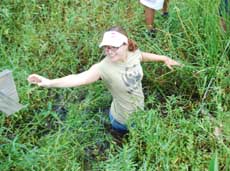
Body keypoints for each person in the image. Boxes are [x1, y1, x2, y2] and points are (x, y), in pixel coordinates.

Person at [27, 26, 180, 134]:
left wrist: (164, 58)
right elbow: (78, 79)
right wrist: (49, 82)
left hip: (139, 110)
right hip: (122, 121)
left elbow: (143, 56)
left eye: (114, 47)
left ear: (126, 44)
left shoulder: (133, 53)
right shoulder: (102, 68)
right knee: (124, 142)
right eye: (106, 47)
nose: (109, 51)